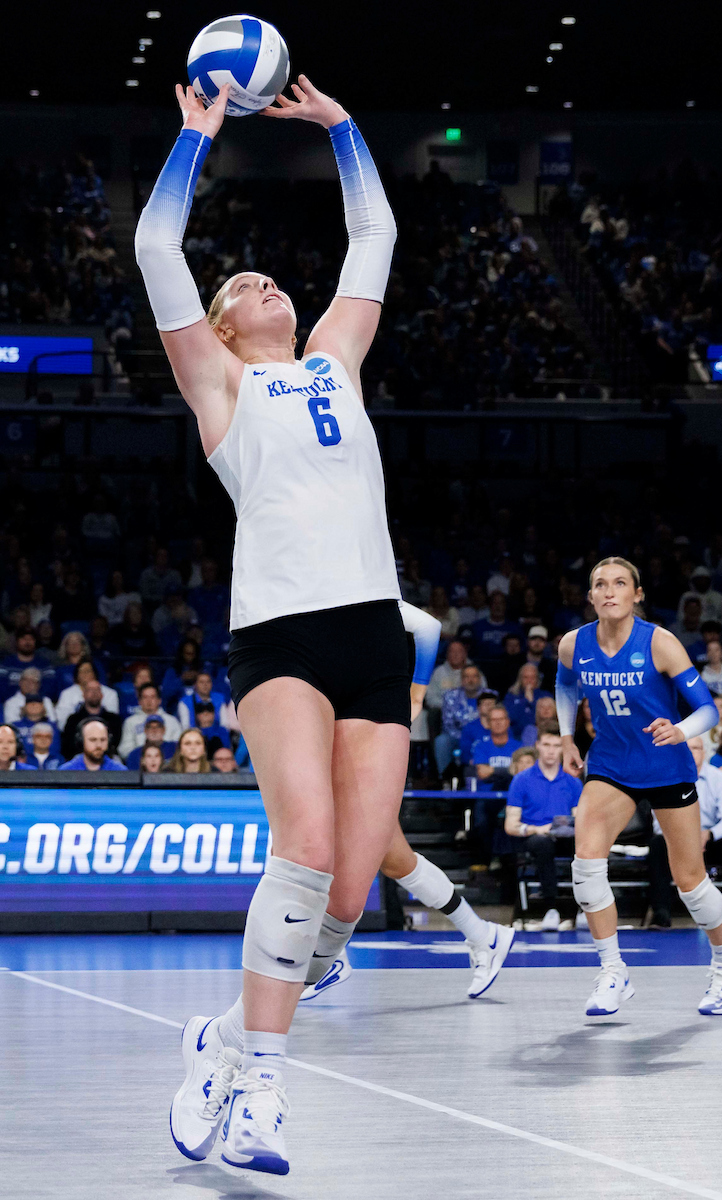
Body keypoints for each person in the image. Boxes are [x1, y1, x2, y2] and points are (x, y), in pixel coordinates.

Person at [138, 75, 411, 1174]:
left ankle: (215, 1040)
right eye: (239, 284)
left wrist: (343, 129)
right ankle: (260, 1087)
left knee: (345, 900)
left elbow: (373, 235)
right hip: (281, 635)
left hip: (374, 632)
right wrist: (194, 140)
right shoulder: (219, 387)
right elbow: (158, 247)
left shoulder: (334, 360)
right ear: (219, 327)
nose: (261, 280)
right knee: (303, 850)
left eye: (266, 276)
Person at [557, 556, 722, 1018]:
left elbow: (708, 710)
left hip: (665, 764)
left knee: (690, 881)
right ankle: (613, 971)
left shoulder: (660, 643)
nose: (609, 591)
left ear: (637, 594)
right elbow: (565, 686)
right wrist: (566, 737)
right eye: (600, 584)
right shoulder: (573, 644)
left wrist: (681, 730)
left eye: (620, 583)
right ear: (591, 596)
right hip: (610, 764)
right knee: (586, 865)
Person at [299, 601, 514, 1005]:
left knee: (332, 850)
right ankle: (482, 935)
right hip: (341, 735)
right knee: (396, 860)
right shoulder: (311, 608)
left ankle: (331, 957)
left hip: (369, 735)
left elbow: (428, 627)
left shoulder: (359, 596)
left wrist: (417, 692)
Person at [649, 737, 722, 931]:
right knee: (657, 844)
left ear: (704, 752)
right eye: (686, 748)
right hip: (678, 840)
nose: (691, 752)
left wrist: (709, 834)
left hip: (711, 841)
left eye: (696, 748)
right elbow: (658, 824)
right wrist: (685, 837)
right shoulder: (666, 779)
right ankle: (660, 913)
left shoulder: (720, 779)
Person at [503, 727, 582, 928]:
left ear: (563, 749)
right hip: (534, 836)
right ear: (537, 745)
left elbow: (579, 818)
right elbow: (511, 825)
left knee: (585, 844)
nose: (551, 751)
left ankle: (584, 908)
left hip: (565, 836)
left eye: (556, 746)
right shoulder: (521, 780)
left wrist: (569, 828)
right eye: (546, 745)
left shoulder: (573, 781)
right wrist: (538, 829)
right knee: (542, 843)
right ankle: (550, 908)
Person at [470, 704, 522, 868]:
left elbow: (522, 772)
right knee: (482, 823)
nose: (498, 723)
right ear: (488, 723)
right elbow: (483, 773)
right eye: (494, 720)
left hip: (513, 795)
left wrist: (494, 770)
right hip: (487, 796)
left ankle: (508, 861)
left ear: (507, 722)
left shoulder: (518, 746)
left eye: (501, 719)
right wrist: (509, 770)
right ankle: (487, 860)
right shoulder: (481, 746)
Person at [435, 663, 485, 775]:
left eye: (474, 676)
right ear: (461, 680)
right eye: (467, 677)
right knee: (442, 741)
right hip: (457, 736)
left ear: (480, 679)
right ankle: (444, 778)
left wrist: (474, 737)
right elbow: (448, 725)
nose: (470, 680)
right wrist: (465, 738)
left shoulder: (489, 696)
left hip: (482, 737)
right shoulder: (450, 696)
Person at [61, 678, 122, 759]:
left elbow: (116, 744)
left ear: (102, 695)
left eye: (97, 689)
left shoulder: (114, 719)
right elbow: (68, 746)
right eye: (90, 690)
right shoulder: (73, 720)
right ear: (83, 695)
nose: (94, 693)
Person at [118, 682, 181, 760]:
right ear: (139, 701)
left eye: (152, 697)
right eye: (145, 697)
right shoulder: (130, 722)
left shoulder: (172, 721)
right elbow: (124, 750)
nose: (149, 701)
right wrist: (143, 756)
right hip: (139, 763)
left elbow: (179, 747)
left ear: (159, 700)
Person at [55, 660, 119, 731]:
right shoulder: (67, 694)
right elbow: (62, 722)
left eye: (88, 671)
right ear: (77, 676)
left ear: (94, 674)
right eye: (81, 671)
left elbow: (113, 720)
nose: (84, 674)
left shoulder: (110, 693)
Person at [470, 591, 520, 662]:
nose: (498, 606)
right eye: (494, 603)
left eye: (501, 603)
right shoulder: (477, 626)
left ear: (505, 606)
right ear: (489, 606)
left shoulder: (515, 628)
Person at [59, 720, 128, 771]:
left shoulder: (120, 771)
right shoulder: (66, 770)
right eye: (93, 740)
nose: (99, 745)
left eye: (103, 740)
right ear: (81, 741)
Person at [503, 663, 547, 739]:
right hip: (515, 737)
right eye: (526, 677)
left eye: (532, 678)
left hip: (540, 737)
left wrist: (532, 702)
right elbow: (509, 717)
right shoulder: (511, 696)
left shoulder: (545, 696)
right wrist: (525, 700)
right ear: (520, 679)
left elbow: (547, 718)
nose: (529, 681)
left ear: (537, 679)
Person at [458, 689, 499, 764]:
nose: (489, 706)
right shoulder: (469, 728)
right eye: (485, 704)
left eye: (491, 703)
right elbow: (465, 754)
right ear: (478, 707)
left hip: (498, 764)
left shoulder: (503, 726)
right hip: (475, 765)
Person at [525, 624, 556, 691]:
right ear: (528, 641)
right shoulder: (515, 662)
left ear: (546, 644)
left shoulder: (550, 666)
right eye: (534, 639)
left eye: (541, 640)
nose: (537, 643)